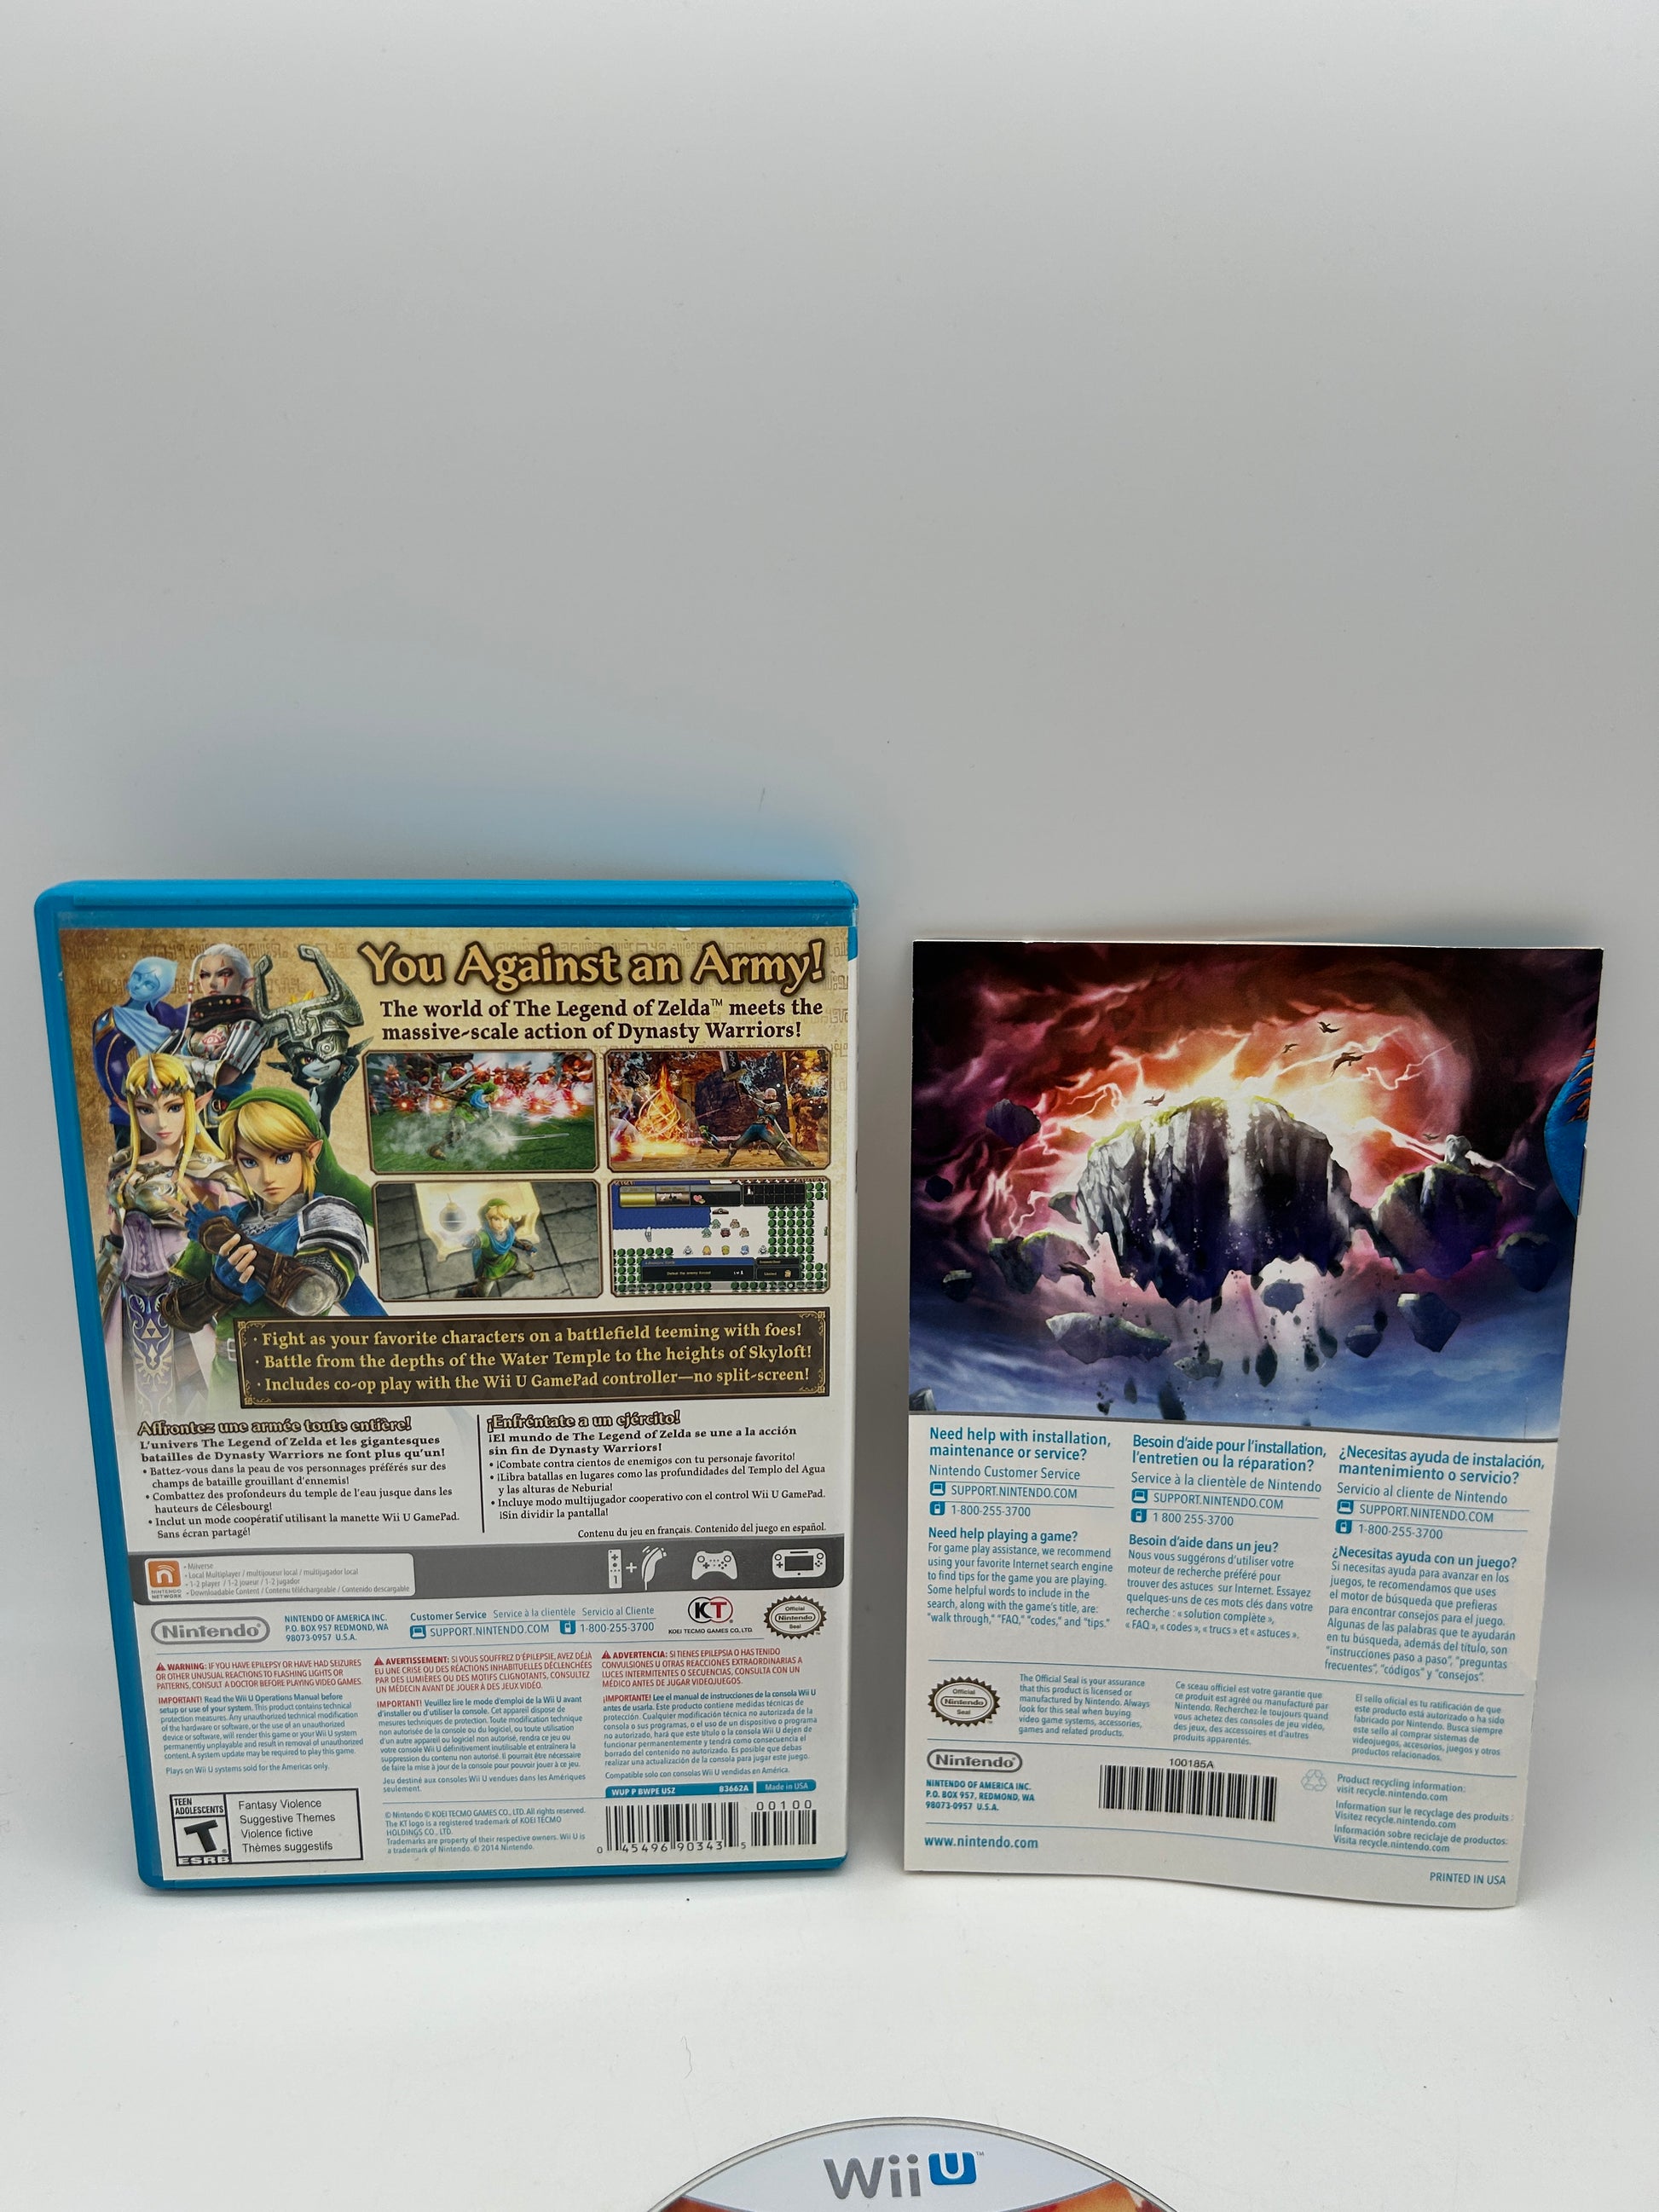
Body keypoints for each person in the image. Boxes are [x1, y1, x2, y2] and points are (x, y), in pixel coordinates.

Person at [160, 1089, 382, 1402]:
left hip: (302, 1381)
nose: (267, 1176)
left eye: (282, 1157)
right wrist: (215, 1290)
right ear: (236, 1162)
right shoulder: (227, 1220)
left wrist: (229, 1243)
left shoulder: (329, 1215)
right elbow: (174, 1313)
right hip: (229, 1382)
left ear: (312, 1152)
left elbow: (311, 1296)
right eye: (250, 1161)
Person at [102, 1053, 228, 1420]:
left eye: (173, 1108)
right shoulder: (123, 1167)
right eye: (146, 1110)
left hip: (185, 1294)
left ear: (192, 1105)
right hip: (128, 1297)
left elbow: (232, 1236)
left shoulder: (210, 1170)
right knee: (130, 1395)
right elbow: (115, 1237)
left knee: (197, 1388)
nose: (160, 1122)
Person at [91, 959, 187, 1135]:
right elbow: (109, 1065)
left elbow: (185, 1020)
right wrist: (130, 1102)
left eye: (149, 984)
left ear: (159, 992)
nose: (138, 985)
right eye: (137, 977)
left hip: (168, 1107)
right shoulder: (110, 1019)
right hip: (131, 1111)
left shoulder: (162, 1014)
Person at [180, 944, 267, 1124]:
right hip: (187, 1119)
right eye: (205, 975)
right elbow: (157, 1065)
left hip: (228, 1122)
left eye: (223, 974)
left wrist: (177, 1064)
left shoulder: (248, 1024)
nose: (212, 983)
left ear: (246, 983)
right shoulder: (192, 1023)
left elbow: (222, 1075)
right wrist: (206, 1063)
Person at [456, 1198, 539, 1298]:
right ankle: (477, 1294)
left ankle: (529, 1272)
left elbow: (514, 1241)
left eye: (505, 1219)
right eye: (497, 1219)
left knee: (522, 1266)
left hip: (507, 1259)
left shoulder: (508, 1229)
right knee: (484, 1290)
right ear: (488, 1218)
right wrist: (463, 1235)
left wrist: (526, 1247)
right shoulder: (484, 1236)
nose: (502, 1224)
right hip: (491, 1268)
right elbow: (472, 1242)